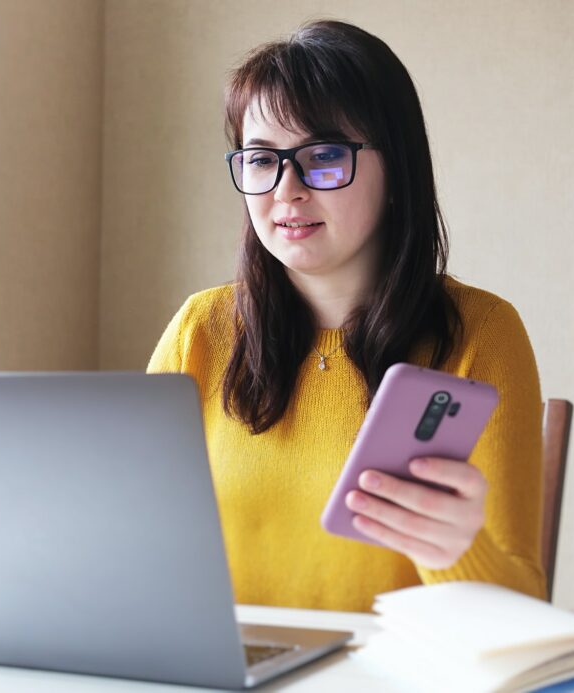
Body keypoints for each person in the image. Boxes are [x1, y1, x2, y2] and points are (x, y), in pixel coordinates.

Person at [147, 19, 546, 612]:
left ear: (397, 168)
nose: (287, 189)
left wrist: (456, 549)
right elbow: (133, 543)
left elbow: (522, 609)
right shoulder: (201, 330)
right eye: (261, 159)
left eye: (324, 155)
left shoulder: (480, 335)